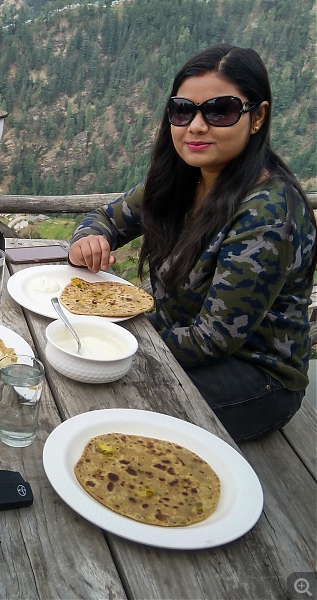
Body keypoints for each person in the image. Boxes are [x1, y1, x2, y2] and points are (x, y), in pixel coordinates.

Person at [68, 44, 316, 442]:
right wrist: (89, 239)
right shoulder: (181, 179)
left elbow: (212, 338)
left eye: (220, 111)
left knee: (101, 407)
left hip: (254, 378)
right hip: (174, 344)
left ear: (257, 117)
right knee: (75, 371)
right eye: (183, 110)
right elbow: (104, 218)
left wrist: (114, 337)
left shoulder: (268, 213)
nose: (196, 126)